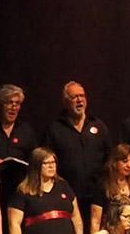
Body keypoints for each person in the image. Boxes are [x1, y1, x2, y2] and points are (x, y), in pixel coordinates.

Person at [43, 80, 113, 209]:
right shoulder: (54, 129)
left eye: (82, 96)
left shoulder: (98, 126)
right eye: (74, 97)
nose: (79, 100)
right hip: (67, 195)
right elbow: (47, 162)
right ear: (65, 102)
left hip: (97, 196)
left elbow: (110, 159)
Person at [0, 84, 36, 203]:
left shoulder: (26, 130)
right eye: (9, 102)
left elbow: (34, 159)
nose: (14, 107)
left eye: (17, 103)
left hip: (20, 190)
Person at [87, 144, 130, 234]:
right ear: (115, 162)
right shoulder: (103, 186)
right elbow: (95, 220)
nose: (129, 165)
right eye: (125, 161)